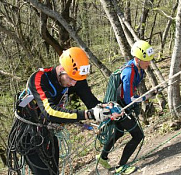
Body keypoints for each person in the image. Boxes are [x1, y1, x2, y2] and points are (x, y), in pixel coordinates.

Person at [7, 47, 111, 175]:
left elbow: (92, 102)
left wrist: (108, 109)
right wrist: (87, 114)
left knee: (53, 171)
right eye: (71, 79)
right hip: (27, 134)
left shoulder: (76, 76)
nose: (74, 84)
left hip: (47, 131)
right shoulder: (39, 79)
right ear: (62, 69)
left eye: (77, 80)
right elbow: (50, 111)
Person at [96, 40, 155, 174]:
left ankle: (102, 156)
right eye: (146, 60)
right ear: (137, 59)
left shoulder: (139, 69)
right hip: (120, 107)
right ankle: (121, 167)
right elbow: (130, 99)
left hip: (123, 103)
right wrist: (147, 96)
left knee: (120, 132)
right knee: (138, 136)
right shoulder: (128, 73)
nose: (149, 63)